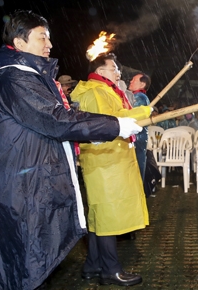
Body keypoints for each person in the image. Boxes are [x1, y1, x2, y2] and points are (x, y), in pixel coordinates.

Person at [0, 10, 141, 290]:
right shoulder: (15, 79)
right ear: (19, 42)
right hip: (22, 190)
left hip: (29, 185)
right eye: (42, 38)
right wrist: (114, 126)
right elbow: (56, 120)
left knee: (33, 266)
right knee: (25, 267)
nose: (49, 45)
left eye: (49, 38)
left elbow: (50, 122)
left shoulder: (28, 77)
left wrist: (95, 132)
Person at [70, 53, 150, 287]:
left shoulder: (106, 90)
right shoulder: (96, 92)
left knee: (99, 216)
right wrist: (142, 113)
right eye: (114, 68)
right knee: (107, 216)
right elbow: (107, 122)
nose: (118, 73)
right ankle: (110, 270)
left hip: (111, 160)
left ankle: (93, 264)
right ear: (101, 71)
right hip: (104, 162)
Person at [127, 72, 151, 185]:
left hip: (137, 137)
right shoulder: (135, 96)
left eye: (134, 80)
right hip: (138, 137)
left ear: (142, 84)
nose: (130, 81)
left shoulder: (139, 97)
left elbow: (133, 116)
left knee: (136, 167)